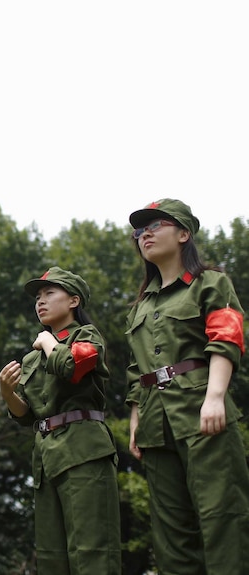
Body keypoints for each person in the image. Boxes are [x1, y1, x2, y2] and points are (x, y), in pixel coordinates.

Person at [125, 198, 249, 574]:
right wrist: (135, 419)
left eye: (155, 225)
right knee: (170, 533)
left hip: (202, 411)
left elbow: (227, 336)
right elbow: (137, 369)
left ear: (183, 234)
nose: (144, 234)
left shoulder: (211, 282)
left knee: (221, 516)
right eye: (139, 230)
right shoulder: (140, 307)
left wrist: (215, 397)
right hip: (154, 424)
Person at [0, 266, 121, 574]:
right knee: (52, 556)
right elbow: (26, 415)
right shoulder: (32, 358)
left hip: (83, 449)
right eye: (38, 296)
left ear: (74, 301)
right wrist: (7, 392)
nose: (41, 301)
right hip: (46, 456)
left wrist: (49, 342)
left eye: (50, 293)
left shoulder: (86, 336)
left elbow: (73, 365)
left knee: (92, 552)